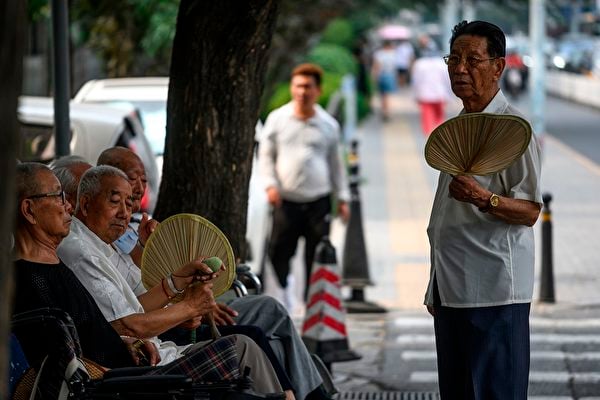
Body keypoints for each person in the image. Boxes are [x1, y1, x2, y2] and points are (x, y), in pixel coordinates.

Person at [12, 163, 283, 398]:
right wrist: (188, 306)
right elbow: (78, 357)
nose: (67, 205)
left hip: (138, 366)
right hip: (129, 384)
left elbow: (100, 328)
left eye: (129, 203)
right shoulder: (41, 273)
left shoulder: (52, 264)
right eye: (58, 197)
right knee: (243, 348)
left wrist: (130, 339)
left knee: (246, 351)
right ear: (29, 210)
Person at [93, 146, 327, 400]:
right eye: (128, 184)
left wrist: (189, 295)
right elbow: (136, 304)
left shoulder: (137, 226)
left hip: (179, 307)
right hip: (167, 327)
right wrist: (189, 306)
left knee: (270, 317)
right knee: (257, 329)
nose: (138, 188)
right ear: (88, 202)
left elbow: (149, 282)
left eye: (144, 180)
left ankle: (314, 393)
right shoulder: (93, 247)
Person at [424, 20, 543, 400]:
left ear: (498, 66)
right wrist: (434, 289)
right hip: (452, 291)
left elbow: (529, 211)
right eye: (454, 58)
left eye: (472, 59)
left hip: (495, 292)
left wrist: (484, 198)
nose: (460, 69)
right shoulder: (460, 124)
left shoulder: (515, 130)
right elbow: (444, 217)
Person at [258, 63, 350, 301]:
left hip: (318, 202)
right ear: (292, 88)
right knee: (278, 252)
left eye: (308, 87)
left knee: (316, 256)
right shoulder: (277, 119)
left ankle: (312, 304)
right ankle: (282, 292)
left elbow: (336, 164)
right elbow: (266, 156)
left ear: (317, 90)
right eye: (298, 86)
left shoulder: (328, 124)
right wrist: (270, 184)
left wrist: (342, 198)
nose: (302, 92)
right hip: (286, 201)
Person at [410, 35, 451, 136]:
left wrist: (415, 95)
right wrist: (449, 94)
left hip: (424, 94)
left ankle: (428, 137)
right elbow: (447, 80)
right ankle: (438, 135)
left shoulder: (419, 64)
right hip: (440, 93)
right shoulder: (442, 64)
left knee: (426, 117)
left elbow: (416, 81)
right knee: (439, 116)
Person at [371, 41, 397, 120]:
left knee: (382, 95)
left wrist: (374, 76)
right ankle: (386, 111)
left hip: (381, 75)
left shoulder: (379, 54)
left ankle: (384, 110)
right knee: (386, 95)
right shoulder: (393, 54)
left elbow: (376, 66)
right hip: (390, 75)